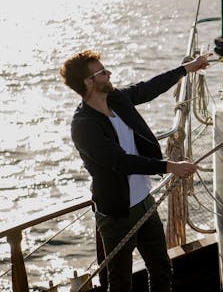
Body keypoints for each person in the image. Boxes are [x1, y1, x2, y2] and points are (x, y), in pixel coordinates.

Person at [60, 50, 210, 291]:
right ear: (88, 82)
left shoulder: (116, 99)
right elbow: (120, 161)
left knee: (162, 269)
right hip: (117, 214)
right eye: (102, 72)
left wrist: (187, 68)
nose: (109, 74)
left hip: (144, 203)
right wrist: (170, 166)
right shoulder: (83, 125)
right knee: (120, 283)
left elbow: (148, 88)